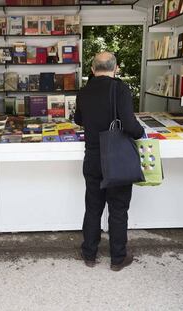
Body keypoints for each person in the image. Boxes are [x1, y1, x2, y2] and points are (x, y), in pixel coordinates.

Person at [74, 52, 144, 272]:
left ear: (93, 70)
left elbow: (78, 120)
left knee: (93, 208)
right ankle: (117, 259)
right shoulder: (121, 89)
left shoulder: (84, 91)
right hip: (116, 158)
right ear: (116, 68)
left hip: (93, 157)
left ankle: (89, 255)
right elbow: (130, 125)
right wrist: (141, 132)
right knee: (118, 209)